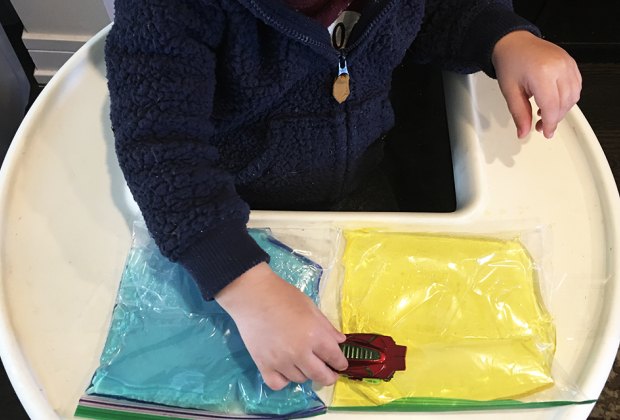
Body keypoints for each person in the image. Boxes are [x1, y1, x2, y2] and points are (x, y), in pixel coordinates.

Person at [105, 0, 581, 392]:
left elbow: (438, 12)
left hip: (363, 178)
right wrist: (245, 289)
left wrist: (504, 37)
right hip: (232, 211)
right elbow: (159, 147)